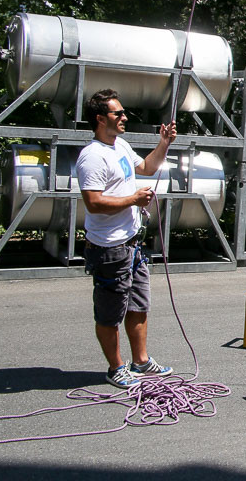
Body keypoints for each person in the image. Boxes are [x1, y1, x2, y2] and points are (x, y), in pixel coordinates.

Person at [76, 89, 177, 389]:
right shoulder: (92, 157)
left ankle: (141, 362)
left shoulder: (120, 145)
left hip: (132, 243)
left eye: (123, 112)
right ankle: (115, 368)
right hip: (109, 248)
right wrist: (134, 199)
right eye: (117, 113)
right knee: (110, 312)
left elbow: (146, 167)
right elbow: (93, 202)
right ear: (99, 118)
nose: (124, 117)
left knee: (138, 304)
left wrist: (164, 143)